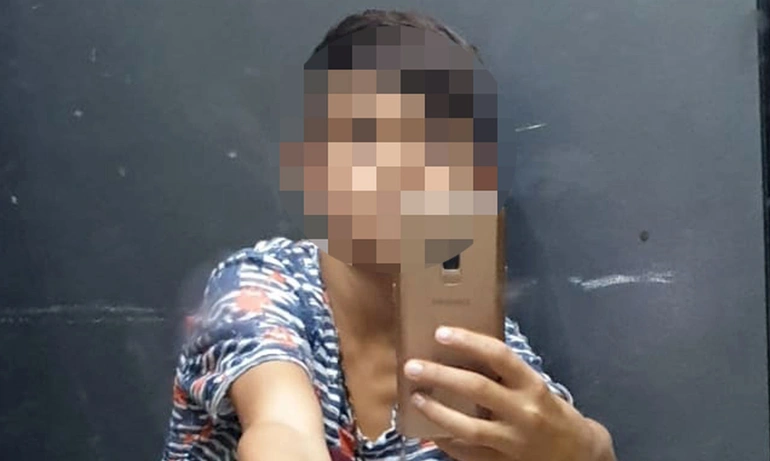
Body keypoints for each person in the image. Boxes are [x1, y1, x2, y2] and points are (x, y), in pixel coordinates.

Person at [162, 9, 616, 461]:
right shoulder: (263, 287)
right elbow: (282, 429)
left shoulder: (477, 342)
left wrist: (585, 449)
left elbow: (568, 438)